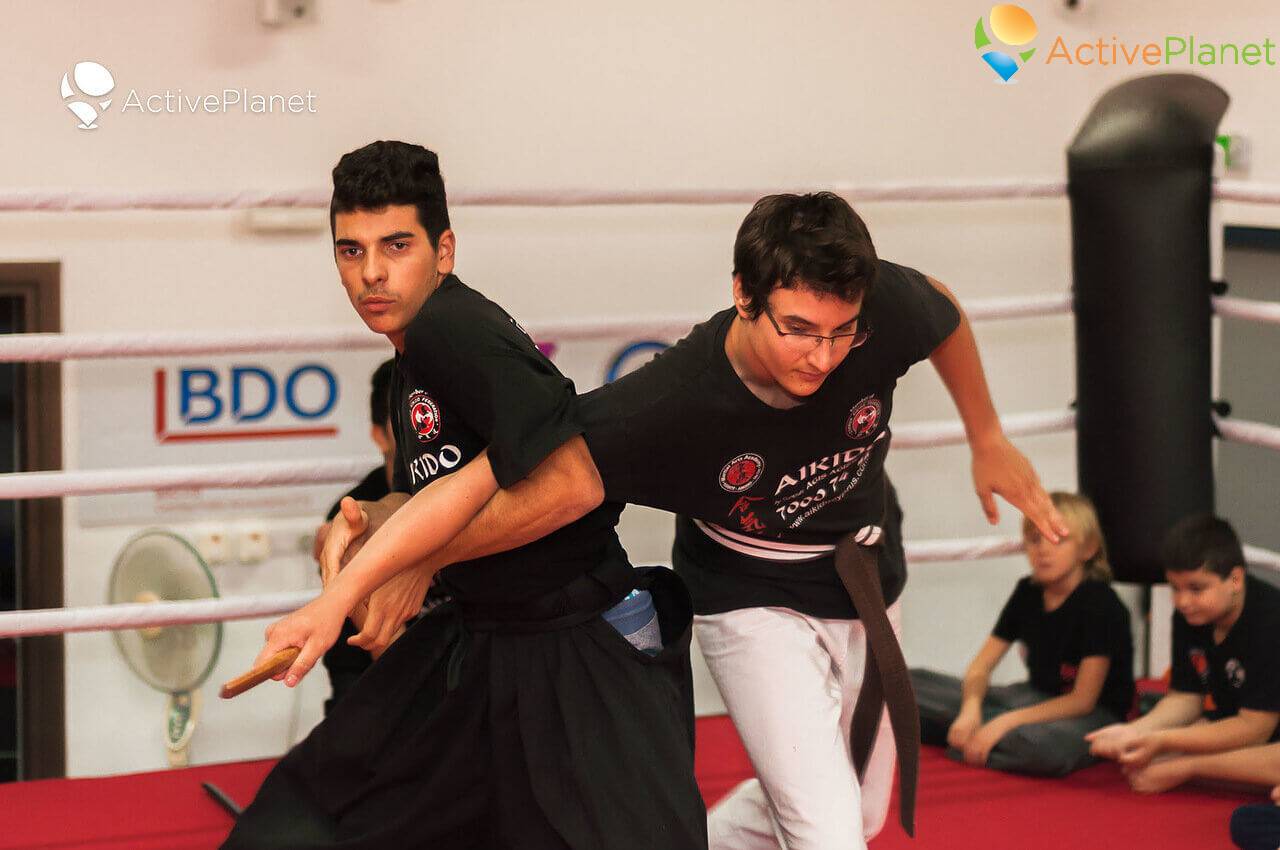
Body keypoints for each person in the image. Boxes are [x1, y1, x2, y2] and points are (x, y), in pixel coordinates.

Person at [307, 192, 1066, 850]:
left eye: (843, 333)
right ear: (743, 294)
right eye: (799, 330)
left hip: (864, 572)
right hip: (750, 596)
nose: (823, 357)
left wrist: (988, 437)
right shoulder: (665, 405)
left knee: (853, 812)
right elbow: (524, 480)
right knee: (829, 832)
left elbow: (940, 306)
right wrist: (399, 535)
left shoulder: (872, 305)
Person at [222, 140, 707, 850]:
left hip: (571, 651)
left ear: (443, 251)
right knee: (330, 809)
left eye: (396, 245)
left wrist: (406, 561)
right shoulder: (420, 344)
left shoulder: (451, 327)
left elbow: (572, 484)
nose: (372, 273)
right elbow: (478, 479)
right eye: (349, 251)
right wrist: (379, 523)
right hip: (490, 642)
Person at [912, 491, 1134, 777]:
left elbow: (1082, 700)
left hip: (1090, 715)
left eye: (1057, 539)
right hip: (1031, 698)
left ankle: (974, 738)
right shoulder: (1027, 591)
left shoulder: (1102, 604)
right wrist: (970, 709)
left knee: (1041, 748)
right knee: (908, 685)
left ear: (1088, 548)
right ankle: (976, 733)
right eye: (1034, 539)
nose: (1043, 549)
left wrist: (1005, 723)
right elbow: (981, 667)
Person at [1087, 514, 1280, 795]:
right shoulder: (1192, 615)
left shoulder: (1271, 621)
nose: (1183, 601)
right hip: (1242, 725)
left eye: (1196, 588)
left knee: (1167, 759)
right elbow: (1186, 696)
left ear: (1235, 579)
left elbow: (1255, 729)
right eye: (1175, 588)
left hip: (1265, 736)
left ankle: (1191, 766)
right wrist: (1139, 731)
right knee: (1151, 755)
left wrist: (1177, 756)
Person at [314, 358, 397, 715]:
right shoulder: (349, 515)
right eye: (409, 421)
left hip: (456, 671)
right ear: (379, 434)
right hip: (373, 680)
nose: (423, 433)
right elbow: (389, 649)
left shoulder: (470, 491)